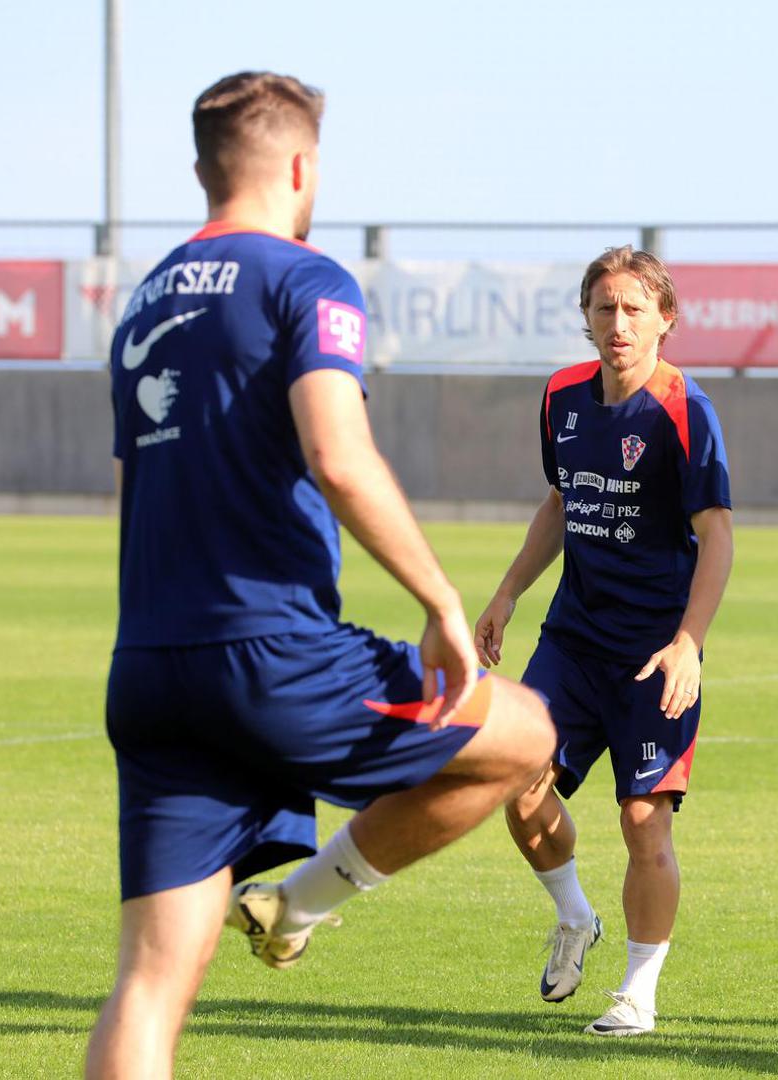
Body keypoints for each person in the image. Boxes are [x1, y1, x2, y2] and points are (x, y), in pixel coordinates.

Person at [83, 73, 554, 1079]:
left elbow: (131, 488)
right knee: (524, 733)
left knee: (150, 983)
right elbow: (338, 457)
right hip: (269, 656)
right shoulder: (306, 279)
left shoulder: (145, 301)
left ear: (202, 169)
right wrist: (441, 601)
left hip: (152, 666)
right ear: (302, 168)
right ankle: (302, 905)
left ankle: (288, 907)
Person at [474, 246, 734, 1038]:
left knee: (643, 821)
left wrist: (689, 642)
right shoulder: (561, 396)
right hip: (573, 640)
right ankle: (574, 916)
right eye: (604, 308)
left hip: (654, 654)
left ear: (665, 319)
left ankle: (637, 994)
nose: (618, 323)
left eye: (633, 309)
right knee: (516, 783)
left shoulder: (684, 410)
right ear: (586, 317)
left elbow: (718, 536)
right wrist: (508, 592)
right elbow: (562, 502)